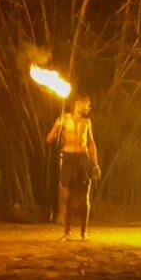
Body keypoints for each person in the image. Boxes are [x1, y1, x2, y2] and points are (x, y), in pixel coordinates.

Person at [46, 94, 100, 241]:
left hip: (83, 158)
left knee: (84, 197)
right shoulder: (63, 119)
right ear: (78, 104)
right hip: (68, 158)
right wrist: (56, 129)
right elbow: (49, 139)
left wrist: (95, 164)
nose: (88, 107)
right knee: (66, 197)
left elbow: (91, 143)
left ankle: (84, 233)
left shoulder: (87, 122)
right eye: (87, 104)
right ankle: (67, 232)